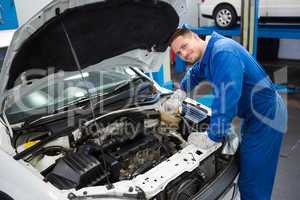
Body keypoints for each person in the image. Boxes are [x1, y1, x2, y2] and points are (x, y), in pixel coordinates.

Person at [164, 29, 287, 200]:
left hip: (266, 117)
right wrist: (181, 92)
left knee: (253, 180)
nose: (183, 54)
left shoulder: (223, 53)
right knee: (248, 167)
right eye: (178, 52)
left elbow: (226, 99)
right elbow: (196, 72)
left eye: (184, 46)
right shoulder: (208, 53)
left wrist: (212, 136)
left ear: (194, 36)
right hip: (252, 114)